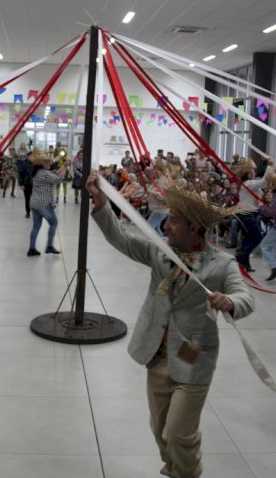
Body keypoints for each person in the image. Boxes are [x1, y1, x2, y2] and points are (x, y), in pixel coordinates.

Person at [86, 170, 254, 478]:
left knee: (179, 434)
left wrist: (230, 303)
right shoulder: (160, 251)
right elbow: (120, 238)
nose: (166, 225)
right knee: (160, 429)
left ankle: (186, 473)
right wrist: (100, 201)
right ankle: (175, 467)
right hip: (157, 355)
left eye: (174, 220)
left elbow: (245, 296)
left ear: (194, 227)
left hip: (194, 360)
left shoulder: (222, 265)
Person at [234, 158, 274, 272]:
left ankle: (244, 263)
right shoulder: (248, 183)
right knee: (257, 237)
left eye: (253, 171)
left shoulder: (249, 184)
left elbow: (262, 187)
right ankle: (241, 256)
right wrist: (269, 166)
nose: (253, 173)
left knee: (249, 238)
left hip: (250, 215)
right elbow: (263, 182)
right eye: (251, 171)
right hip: (247, 215)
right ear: (246, 174)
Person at [26, 152, 65, 257]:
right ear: (42, 164)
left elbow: (50, 178)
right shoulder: (45, 173)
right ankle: (49, 246)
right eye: (48, 163)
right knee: (54, 223)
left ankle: (32, 248)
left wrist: (55, 172)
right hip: (43, 203)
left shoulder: (38, 173)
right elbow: (58, 180)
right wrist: (64, 168)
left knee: (36, 226)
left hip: (34, 203)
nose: (50, 164)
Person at [16, 151, 33, 218]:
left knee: (35, 199)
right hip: (26, 184)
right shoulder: (23, 164)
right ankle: (28, 212)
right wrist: (21, 184)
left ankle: (35, 212)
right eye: (30, 156)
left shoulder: (35, 164)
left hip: (35, 184)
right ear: (27, 156)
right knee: (27, 198)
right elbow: (20, 174)